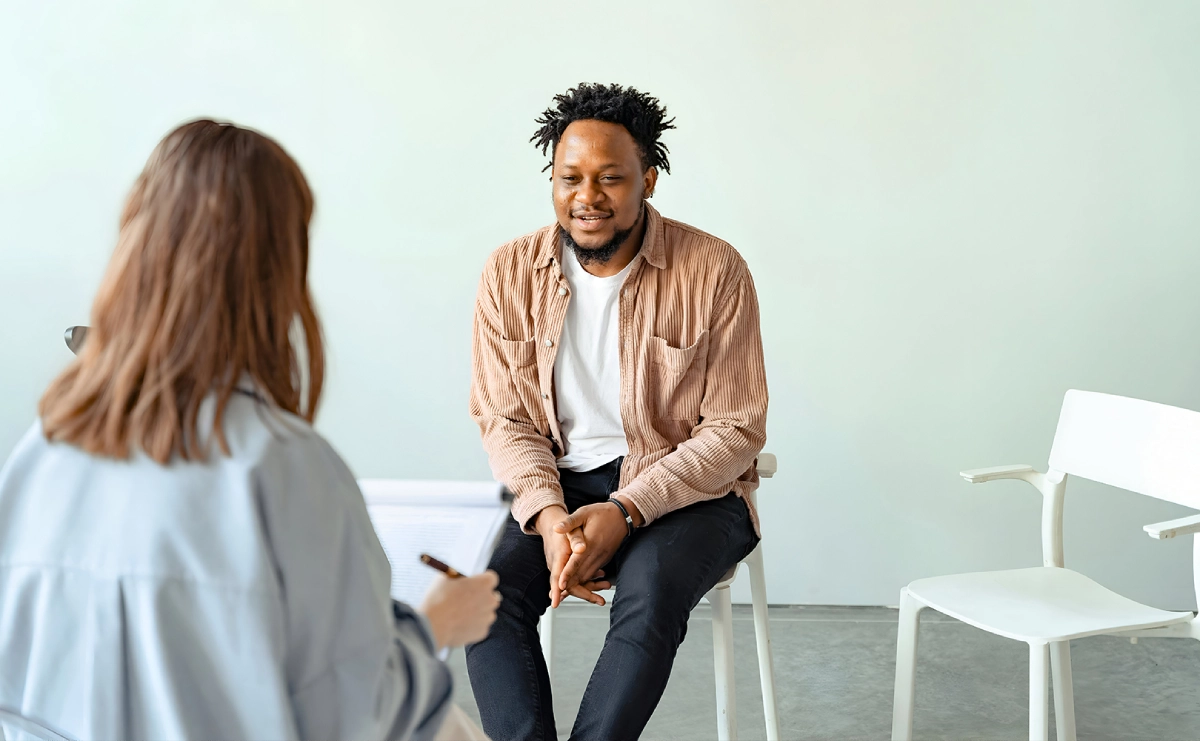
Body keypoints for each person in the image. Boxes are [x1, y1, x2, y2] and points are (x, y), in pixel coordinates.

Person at [0, 119, 499, 741]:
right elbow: (356, 720)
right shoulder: (286, 469)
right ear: (278, 271)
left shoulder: (43, 452)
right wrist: (428, 636)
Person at [465, 83, 769, 740]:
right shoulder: (509, 273)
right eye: (569, 177)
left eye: (610, 178)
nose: (587, 197)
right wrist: (549, 518)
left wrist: (628, 509)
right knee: (486, 600)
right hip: (560, 484)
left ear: (648, 179)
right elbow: (505, 418)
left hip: (688, 491)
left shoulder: (714, 270)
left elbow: (737, 426)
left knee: (649, 591)